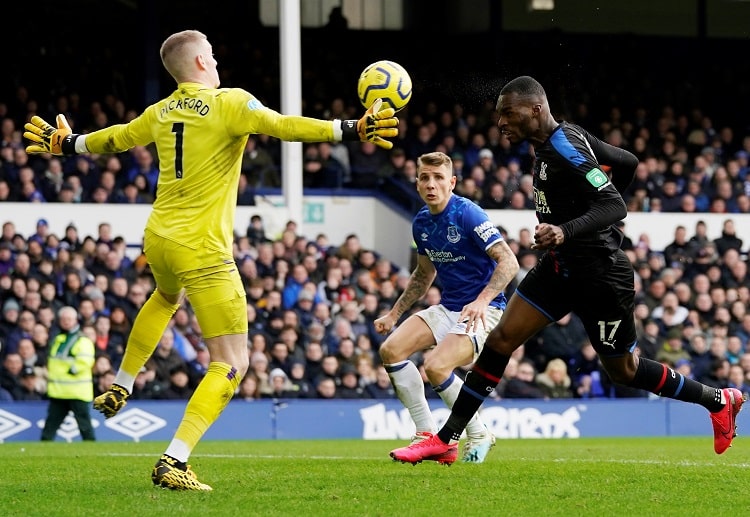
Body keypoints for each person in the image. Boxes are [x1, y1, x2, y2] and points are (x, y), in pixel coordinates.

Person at [24, 29, 399, 491]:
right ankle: (174, 461)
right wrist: (349, 128)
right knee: (231, 362)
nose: (218, 62)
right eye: (214, 55)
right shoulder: (230, 102)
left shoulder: (159, 112)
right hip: (202, 249)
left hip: (158, 239)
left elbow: (115, 140)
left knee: (164, 298)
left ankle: (123, 381)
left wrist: (68, 144)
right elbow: (283, 126)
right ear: (202, 63)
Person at [390, 75, 744, 465]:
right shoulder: (555, 142)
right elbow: (627, 162)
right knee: (500, 341)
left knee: (623, 371)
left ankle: (717, 399)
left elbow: (615, 205)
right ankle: (447, 438)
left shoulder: (565, 146)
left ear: (536, 110)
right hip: (559, 269)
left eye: (508, 114)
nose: (501, 123)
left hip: (601, 277)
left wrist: (566, 228)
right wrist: (578, 224)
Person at [375, 151, 519, 464]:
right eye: (425, 177)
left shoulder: (468, 213)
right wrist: (394, 315)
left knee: (436, 366)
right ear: (416, 184)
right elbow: (424, 275)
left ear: (451, 182)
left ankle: (478, 432)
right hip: (449, 307)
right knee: (391, 351)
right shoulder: (421, 223)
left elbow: (509, 261)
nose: (431, 184)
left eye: (439, 178)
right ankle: (425, 433)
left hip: (487, 309)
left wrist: (482, 300)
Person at [40, 306, 96, 441]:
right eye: (63, 319)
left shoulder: (82, 340)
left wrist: (72, 370)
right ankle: (41, 453)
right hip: (58, 391)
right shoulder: (58, 339)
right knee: (50, 426)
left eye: (69, 319)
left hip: (77, 391)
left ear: (76, 320)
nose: (66, 322)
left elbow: (86, 360)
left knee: (84, 425)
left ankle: (93, 452)